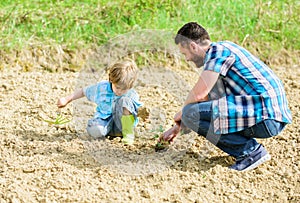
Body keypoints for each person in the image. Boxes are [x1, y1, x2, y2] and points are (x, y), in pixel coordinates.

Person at [161, 22, 292, 171]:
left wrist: (183, 113)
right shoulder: (223, 53)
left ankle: (251, 152)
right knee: (192, 113)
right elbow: (207, 102)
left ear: (193, 46)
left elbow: (199, 94)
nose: (187, 59)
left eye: (185, 54)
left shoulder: (218, 51)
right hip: (269, 117)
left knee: (190, 112)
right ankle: (249, 150)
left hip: (266, 116)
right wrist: (178, 126)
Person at [57, 59, 142, 145]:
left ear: (130, 86)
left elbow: (137, 110)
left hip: (121, 125)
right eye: (117, 87)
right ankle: (105, 133)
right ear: (111, 80)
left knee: (125, 101)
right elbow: (83, 91)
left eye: (123, 89)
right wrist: (66, 99)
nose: (119, 92)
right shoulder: (102, 88)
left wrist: (142, 113)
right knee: (95, 130)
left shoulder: (131, 95)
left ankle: (128, 134)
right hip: (105, 122)